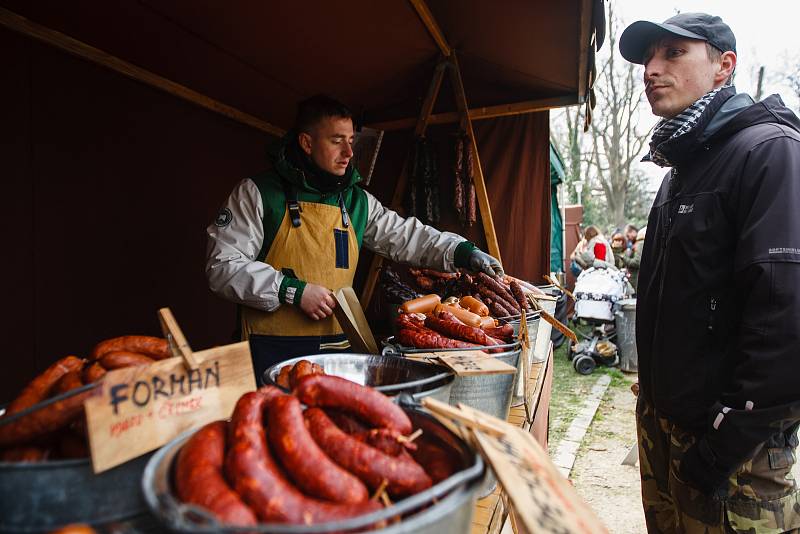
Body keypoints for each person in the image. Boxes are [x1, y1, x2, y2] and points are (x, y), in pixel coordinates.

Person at [620, 12, 800, 532]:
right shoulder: (682, 167)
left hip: (733, 459)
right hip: (666, 431)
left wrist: (722, 446)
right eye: (648, 58)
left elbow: (785, 322)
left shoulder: (769, 152)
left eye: (673, 53)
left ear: (725, 66)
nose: (651, 69)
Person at [205, 95, 502, 383]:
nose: (349, 153)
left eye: (351, 141)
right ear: (307, 143)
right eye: (337, 141)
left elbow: (407, 236)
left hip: (338, 353)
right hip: (272, 353)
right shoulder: (257, 193)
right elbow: (222, 267)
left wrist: (463, 251)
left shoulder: (356, 201)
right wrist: (291, 291)